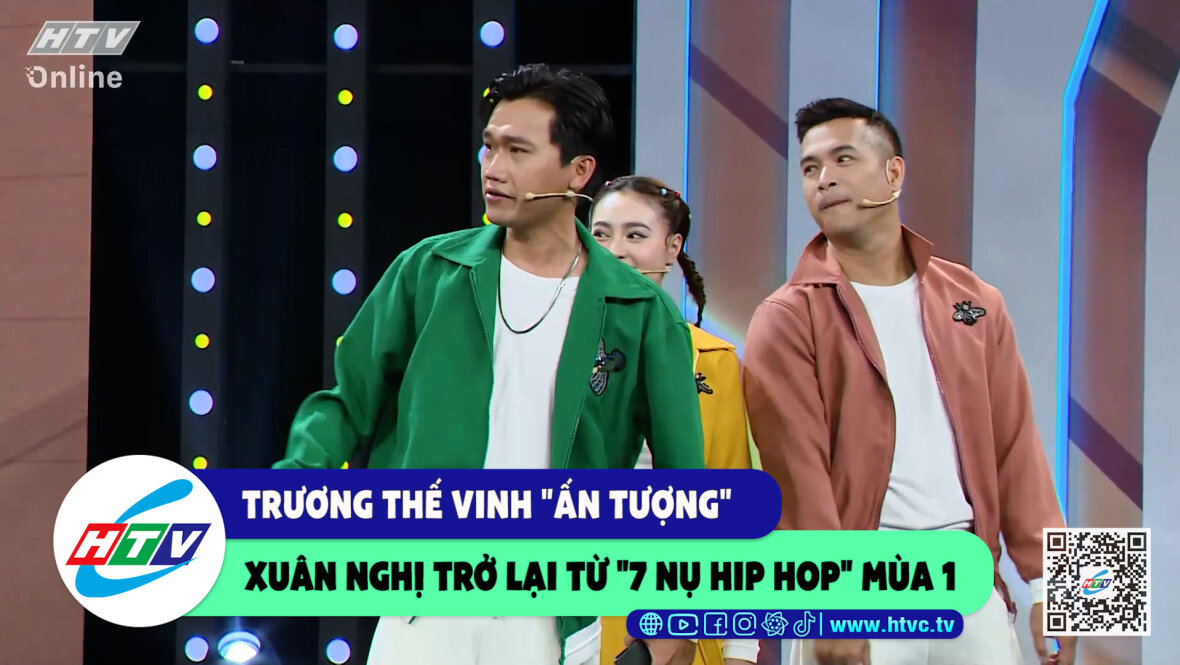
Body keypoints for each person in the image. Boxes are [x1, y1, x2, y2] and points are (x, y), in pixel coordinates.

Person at [274, 64, 706, 665]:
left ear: (578, 171)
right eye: (489, 146)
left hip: (557, 616)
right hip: (423, 602)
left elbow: (683, 484)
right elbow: (346, 402)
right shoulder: (429, 272)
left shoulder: (641, 311)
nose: (493, 168)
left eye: (518, 151)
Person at [742, 97, 1074, 665]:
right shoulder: (786, 316)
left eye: (843, 159)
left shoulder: (974, 299)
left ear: (894, 173)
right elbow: (797, 478)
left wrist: (1067, 597)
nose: (824, 179)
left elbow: (1021, 449)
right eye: (809, 168)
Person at [589, 175, 760, 665]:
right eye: (600, 234)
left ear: (672, 248)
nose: (615, 251)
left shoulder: (715, 361)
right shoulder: (550, 350)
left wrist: (741, 647)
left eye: (635, 235)